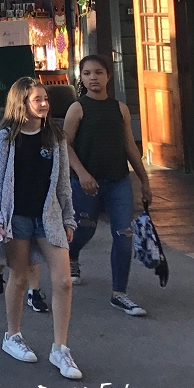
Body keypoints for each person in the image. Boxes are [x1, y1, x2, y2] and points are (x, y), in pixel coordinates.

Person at [0, 78, 81, 379]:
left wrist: (69, 218)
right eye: (37, 99)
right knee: (20, 276)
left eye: (45, 98)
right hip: (17, 218)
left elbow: (63, 183)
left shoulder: (55, 137)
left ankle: (60, 348)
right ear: (21, 103)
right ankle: (13, 335)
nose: (44, 103)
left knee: (64, 281)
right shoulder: (7, 139)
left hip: (48, 217)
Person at [64, 54, 152, 316]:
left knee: (123, 235)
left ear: (108, 76)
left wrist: (144, 180)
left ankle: (119, 293)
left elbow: (129, 146)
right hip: (86, 183)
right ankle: (72, 257)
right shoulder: (77, 108)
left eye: (99, 73)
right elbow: (65, 144)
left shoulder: (120, 108)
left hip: (118, 182)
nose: (94, 78)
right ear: (81, 77)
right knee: (83, 230)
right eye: (88, 73)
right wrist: (82, 174)